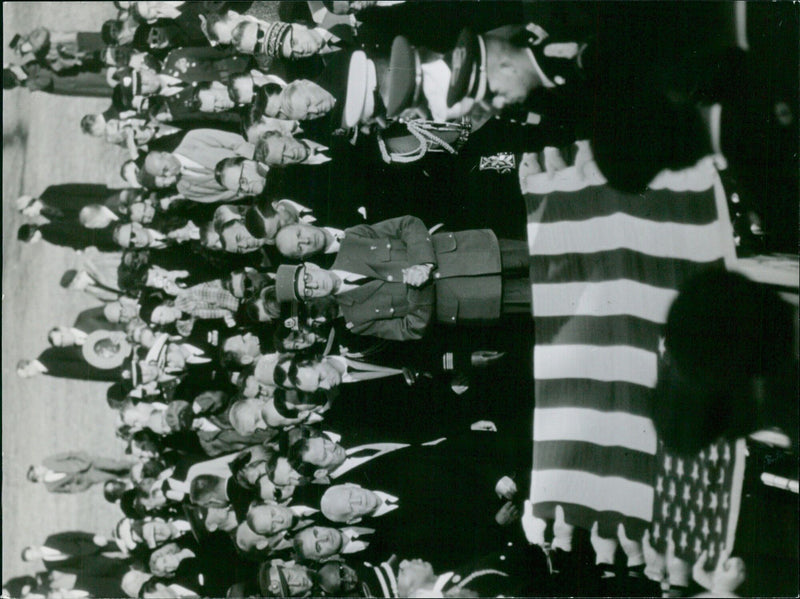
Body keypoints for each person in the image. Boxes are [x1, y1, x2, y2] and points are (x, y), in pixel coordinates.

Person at [273, 215, 531, 341]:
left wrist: (423, 263)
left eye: (306, 277)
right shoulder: (357, 320)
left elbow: (408, 224)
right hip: (478, 300)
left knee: (552, 251)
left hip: (472, 252)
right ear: (309, 299)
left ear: (308, 265)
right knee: (554, 297)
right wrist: (417, 289)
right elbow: (411, 329)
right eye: (306, 291)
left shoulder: (352, 240)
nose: (314, 285)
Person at [141, 129, 265, 203]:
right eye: (164, 175)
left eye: (165, 169)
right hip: (255, 190)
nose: (168, 174)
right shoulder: (184, 189)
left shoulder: (192, 138)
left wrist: (257, 162)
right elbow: (221, 197)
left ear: (165, 154)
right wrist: (249, 190)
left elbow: (233, 141)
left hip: (259, 163)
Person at [27, 452, 132, 494]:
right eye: (37, 469)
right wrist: (83, 486)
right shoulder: (50, 487)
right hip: (87, 477)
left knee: (116, 465)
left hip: (88, 463)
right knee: (112, 476)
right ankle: (135, 477)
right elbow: (69, 490)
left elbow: (68, 454)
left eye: (36, 467)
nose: (39, 467)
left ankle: (140, 466)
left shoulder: (47, 461)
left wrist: (84, 457)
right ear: (38, 478)